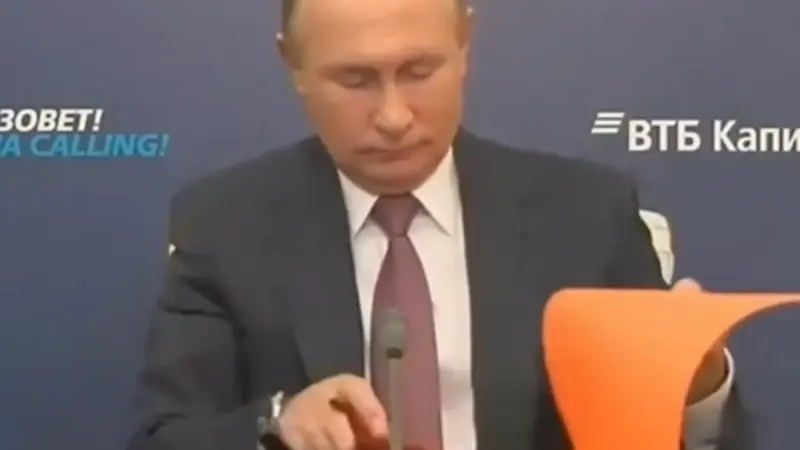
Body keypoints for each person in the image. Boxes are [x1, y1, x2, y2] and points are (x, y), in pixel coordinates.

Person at [128, 0, 752, 449]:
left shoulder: (588, 213)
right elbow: (164, 437)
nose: (394, 116)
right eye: (356, 80)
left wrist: (696, 388)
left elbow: (701, 437)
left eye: (419, 71)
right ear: (292, 64)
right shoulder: (224, 224)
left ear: (465, 43)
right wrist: (277, 424)